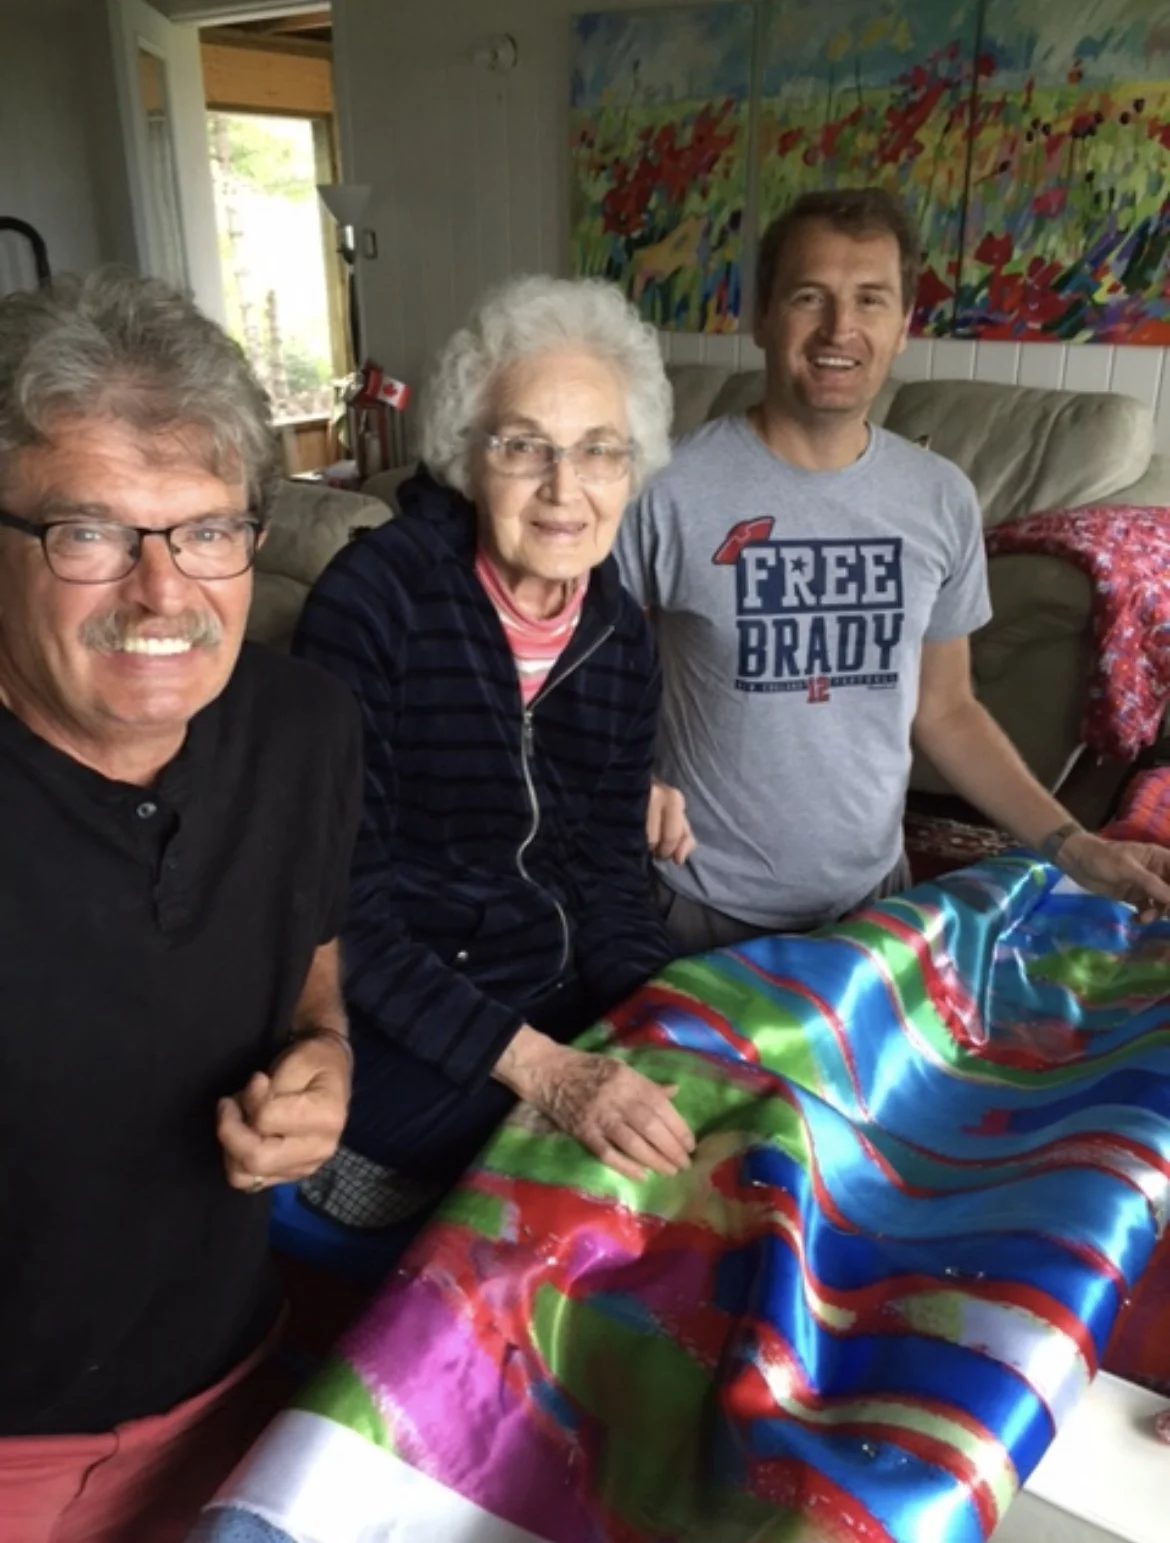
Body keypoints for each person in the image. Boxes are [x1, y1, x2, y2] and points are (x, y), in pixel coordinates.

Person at [0, 270, 362, 1542]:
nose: (162, 592)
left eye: (207, 531)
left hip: (236, 1387)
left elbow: (311, 956)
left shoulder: (305, 728)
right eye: (88, 533)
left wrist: (326, 1051)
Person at [619, 187, 1170, 949]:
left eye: (870, 299)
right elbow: (574, 671)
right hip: (702, 904)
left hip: (875, 903)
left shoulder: (939, 498)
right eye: (809, 296)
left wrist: (1076, 846)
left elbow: (945, 710)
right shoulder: (666, 489)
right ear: (762, 316)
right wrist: (629, 779)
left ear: (903, 324)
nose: (839, 328)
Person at [293, 274, 694, 1230]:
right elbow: (345, 916)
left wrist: (665, 1016)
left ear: (632, 469)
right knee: (604, 1195)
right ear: (468, 457)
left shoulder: (621, 638)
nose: (565, 487)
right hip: (397, 1020)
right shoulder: (374, 605)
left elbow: (609, 879)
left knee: (722, 1099)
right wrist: (548, 1071)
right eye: (524, 446)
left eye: (598, 450)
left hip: (550, 991)